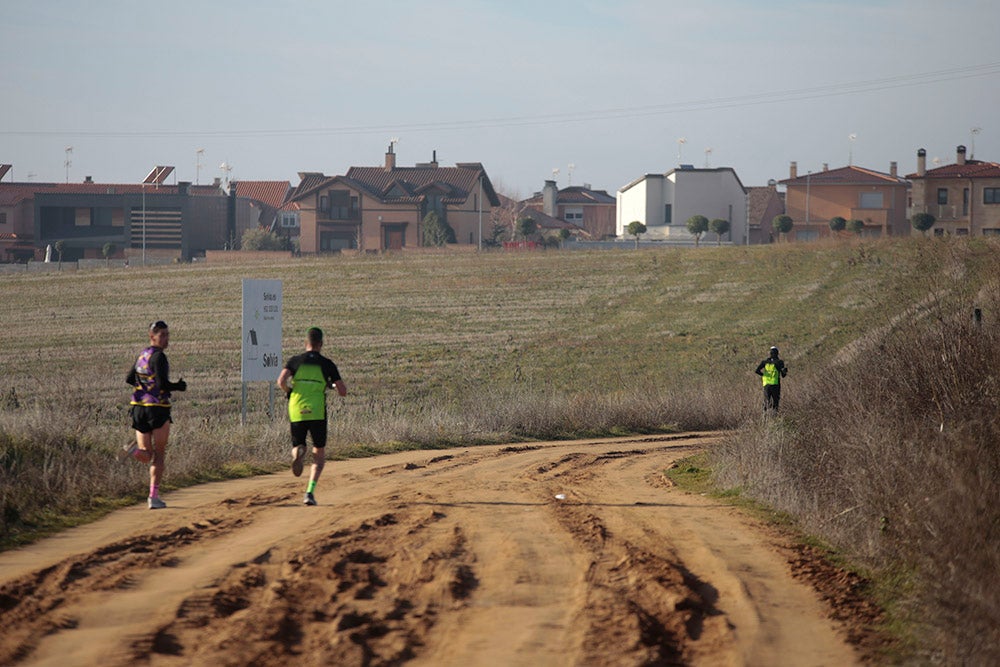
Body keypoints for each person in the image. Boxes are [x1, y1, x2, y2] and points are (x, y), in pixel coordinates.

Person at [277, 327, 347, 506]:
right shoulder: (327, 364)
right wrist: (329, 385)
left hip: (296, 408)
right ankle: (309, 492)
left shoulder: (295, 361)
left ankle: (298, 453)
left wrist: (290, 391)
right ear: (321, 344)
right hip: (317, 411)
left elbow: (281, 381)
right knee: (319, 453)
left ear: (305, 343)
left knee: (298, 443)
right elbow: (342, 391)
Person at [123, 320, 187, 509]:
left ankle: (133, 451)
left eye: (167, 335)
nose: (167, 339)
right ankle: (153, 496)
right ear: (153, 336)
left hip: (138, 408)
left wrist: (142, 387)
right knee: (159, 455)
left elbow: (129, 378)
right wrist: (178, 386)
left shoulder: (142, 355)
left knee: (146, 453)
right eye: (163, 335)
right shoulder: (159, 357)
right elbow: (162, 383)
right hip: (157, 409)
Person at [755, 345, 788, 412]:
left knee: (766, 402)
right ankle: (774, 417)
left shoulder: (764, 362)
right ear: (777, 353)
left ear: (770, 353)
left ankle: (765, 417)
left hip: (766, 384)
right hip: (775, 384)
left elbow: (757, 371)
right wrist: (785, 371)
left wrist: (763, 375)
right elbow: (783, 375)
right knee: (775, 403)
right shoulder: (779, 362)